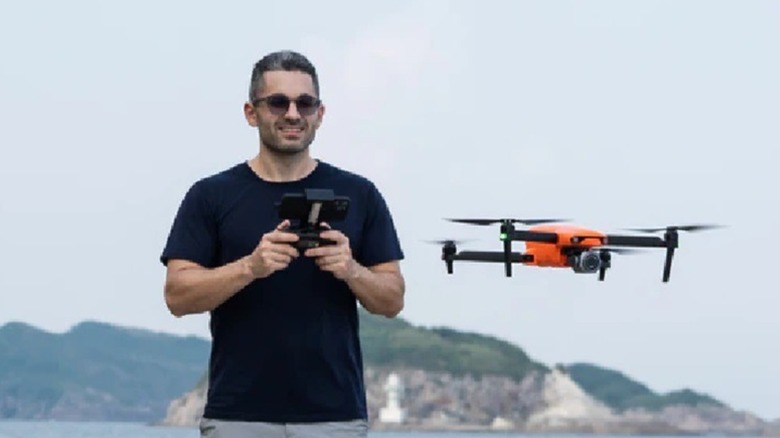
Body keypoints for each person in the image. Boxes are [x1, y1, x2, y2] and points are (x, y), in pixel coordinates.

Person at [159, 50, 406, 438]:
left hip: (334, 417)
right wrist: (250, 267)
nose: (293, 113)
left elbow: (392, 300)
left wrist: (350, 269)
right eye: (278, 102)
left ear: (320, 114)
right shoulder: (210, 196)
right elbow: (177, 296)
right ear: (250, 112)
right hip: (238, 416)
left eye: (305, 103)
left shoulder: (360, 194)